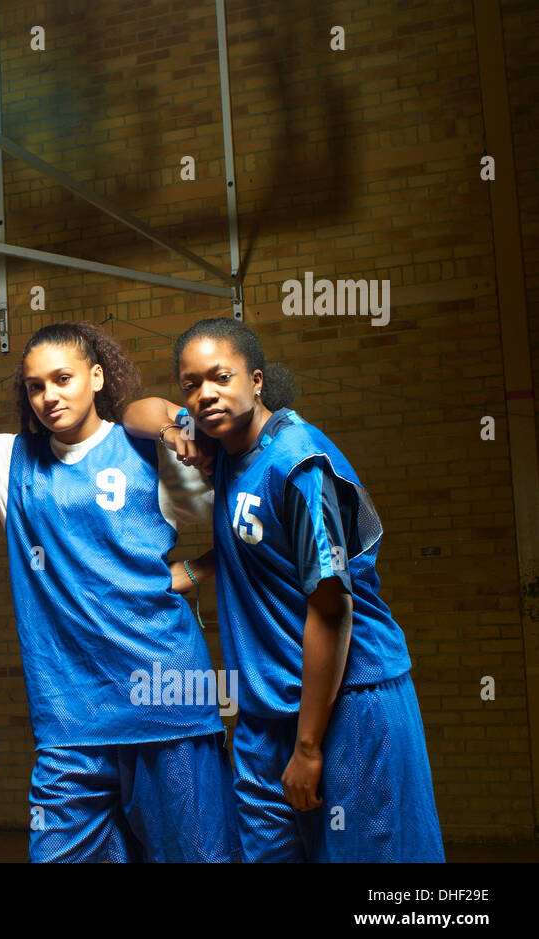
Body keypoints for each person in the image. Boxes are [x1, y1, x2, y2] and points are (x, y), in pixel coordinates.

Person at [0, 322, 241, 862]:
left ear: (97, 377)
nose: (48, 396)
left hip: (168, 705)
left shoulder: (151, 451)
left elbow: (251, 522)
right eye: (35, 386)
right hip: (69, 725)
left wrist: (192, 574)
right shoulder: (12, 462)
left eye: (62, 379)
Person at [156, 316, 444, 862]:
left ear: (256, 380)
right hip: (266, 713)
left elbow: (333, 608)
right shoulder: (225, 450)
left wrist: (309, 747)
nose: (204, 394)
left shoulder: (296, 462)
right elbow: (139, 411)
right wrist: (177, 427)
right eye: (190, 384)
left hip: (344, 703)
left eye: (220, 377)